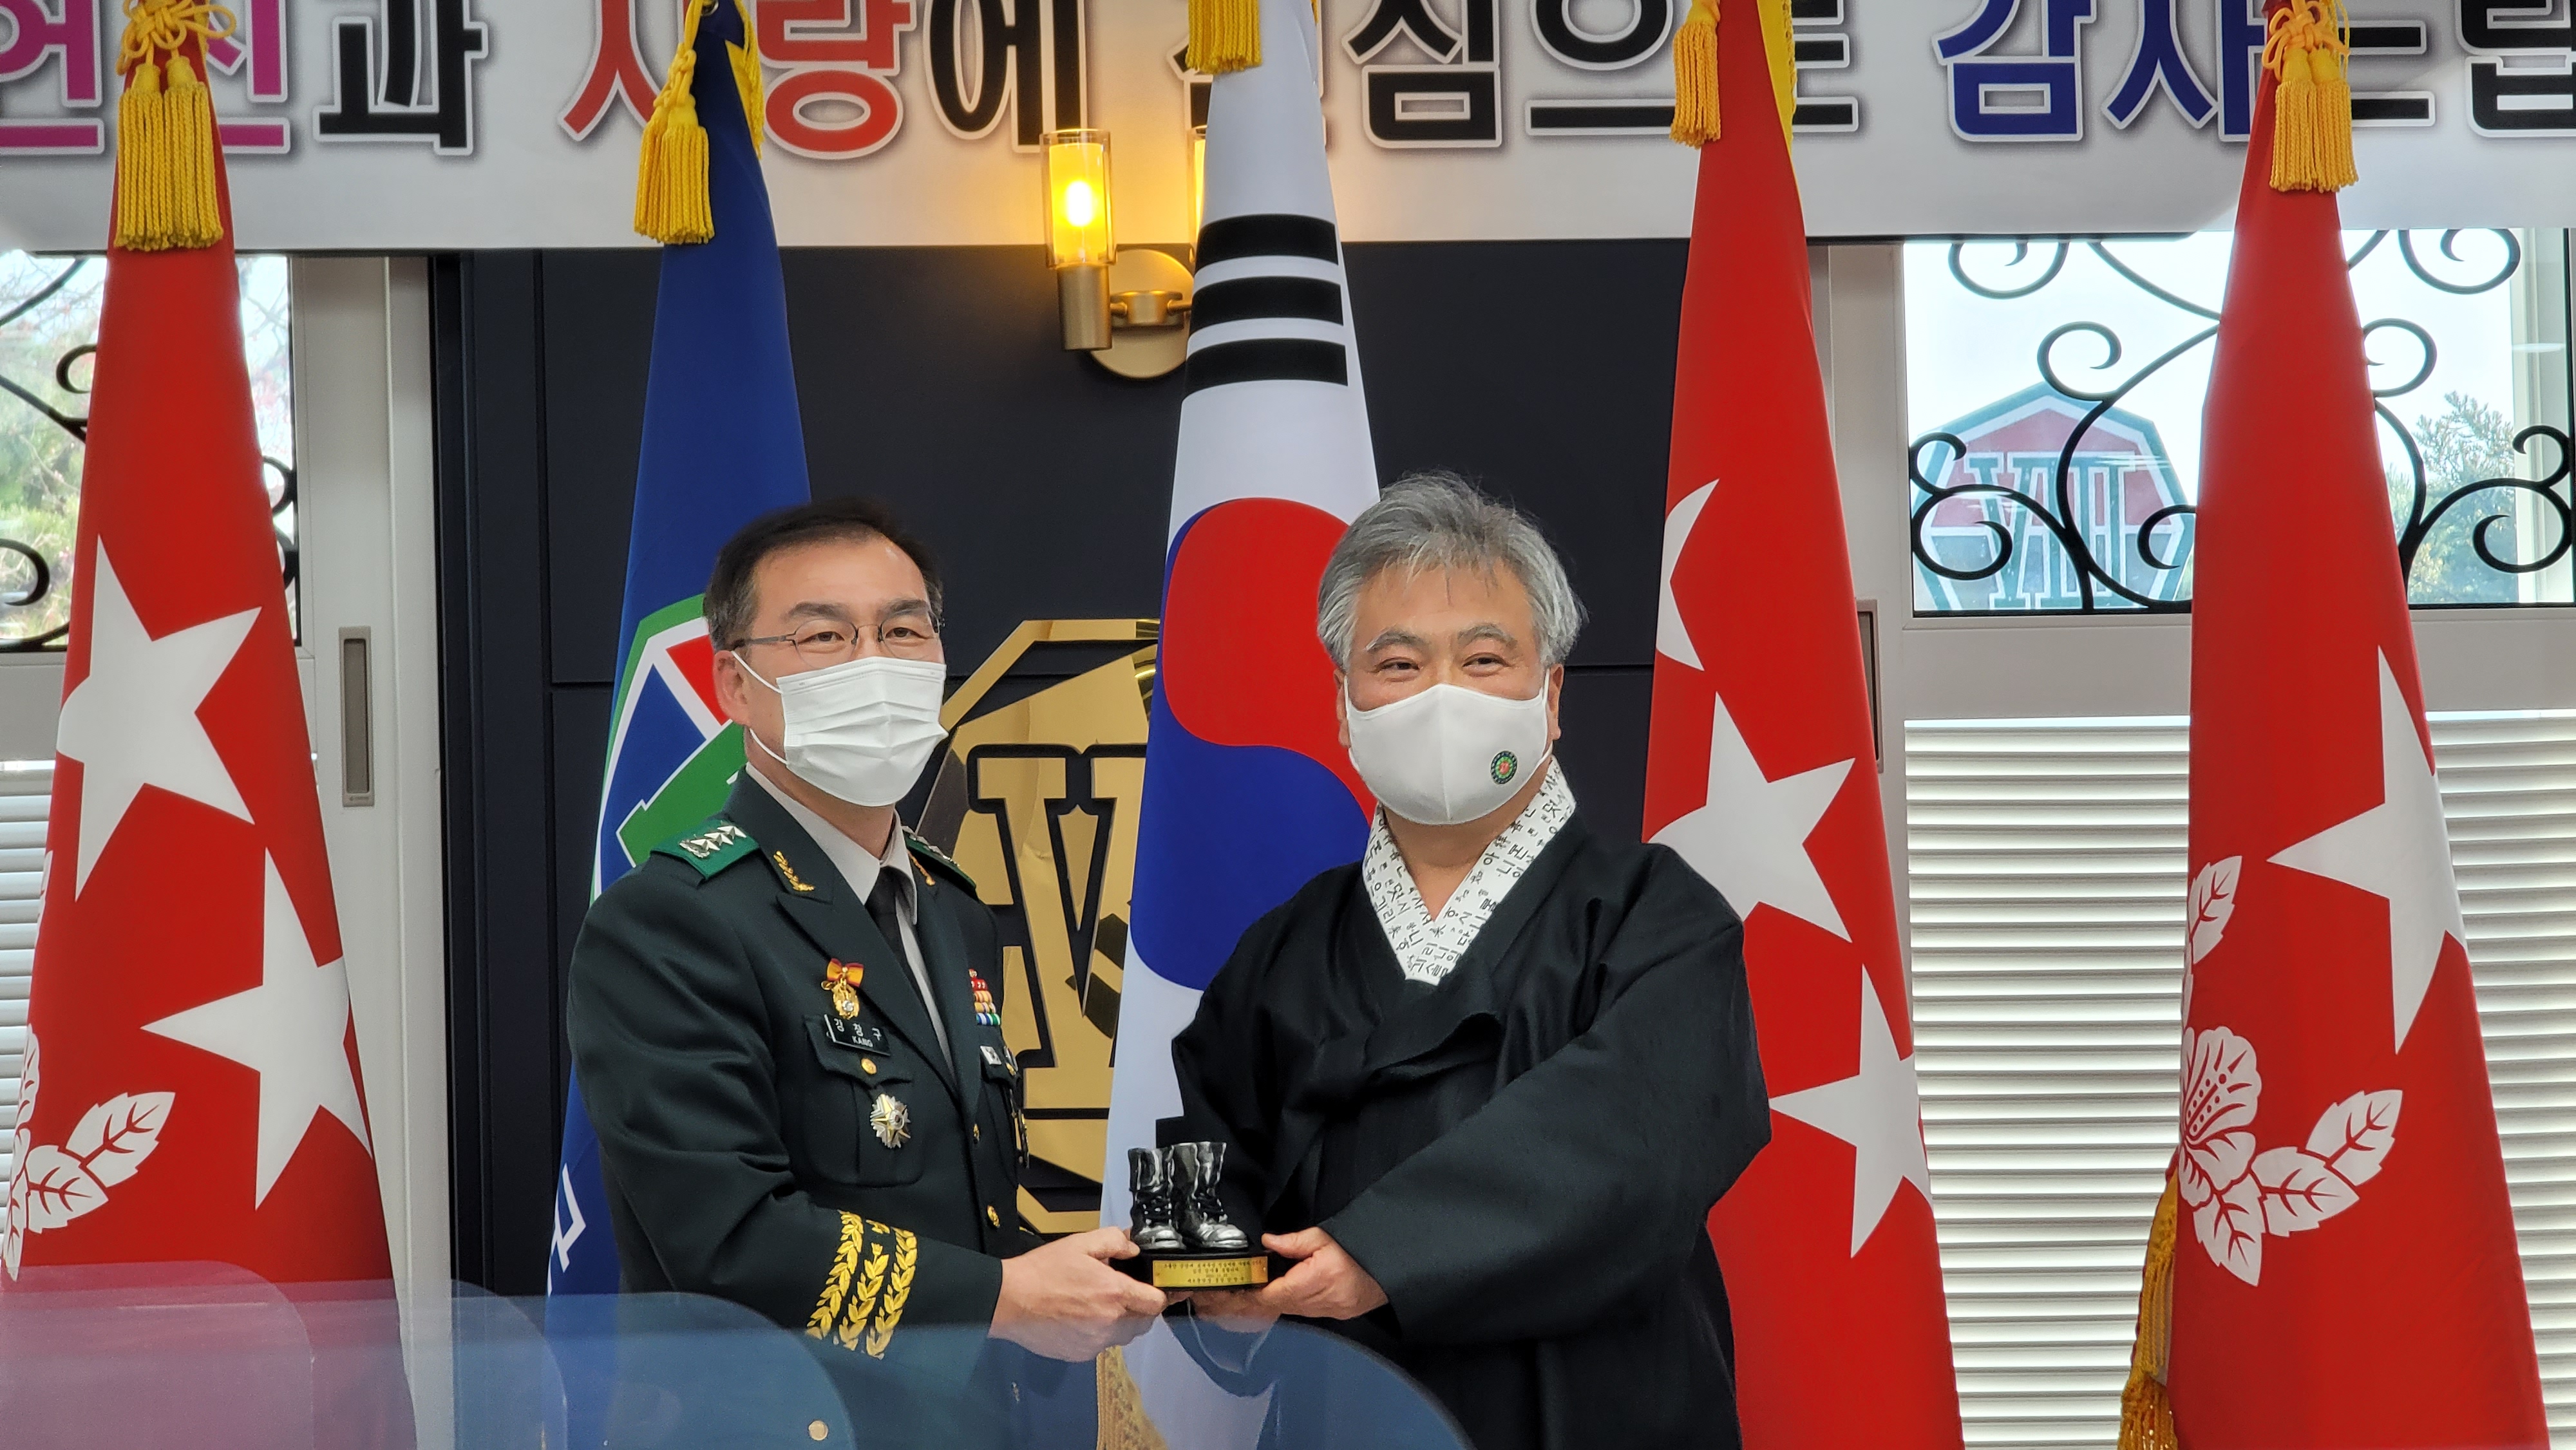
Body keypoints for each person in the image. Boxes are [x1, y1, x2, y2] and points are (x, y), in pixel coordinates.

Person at [1164, 474, 1772, 1450]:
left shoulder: (1657, 918)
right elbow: (1209, 1153)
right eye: (1399, 664)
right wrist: (1220, 1294)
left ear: (1552, 695)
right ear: (1344, 704)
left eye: (1484, 659)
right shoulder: (1283, 949)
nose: (1442, 695)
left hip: (1605, 1406)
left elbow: (1640, 1144)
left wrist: (1383, 1253)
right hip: (1348, 1412)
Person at [566, 498, 1166, 1438]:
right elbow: (729, 1243)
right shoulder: (670, 924)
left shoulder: (953, 909)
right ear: (734, 685)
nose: (873, 664)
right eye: (823, 637)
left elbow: (961, 1203)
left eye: (902, 631)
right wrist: (1007, 1300)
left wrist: (1103, 1281)